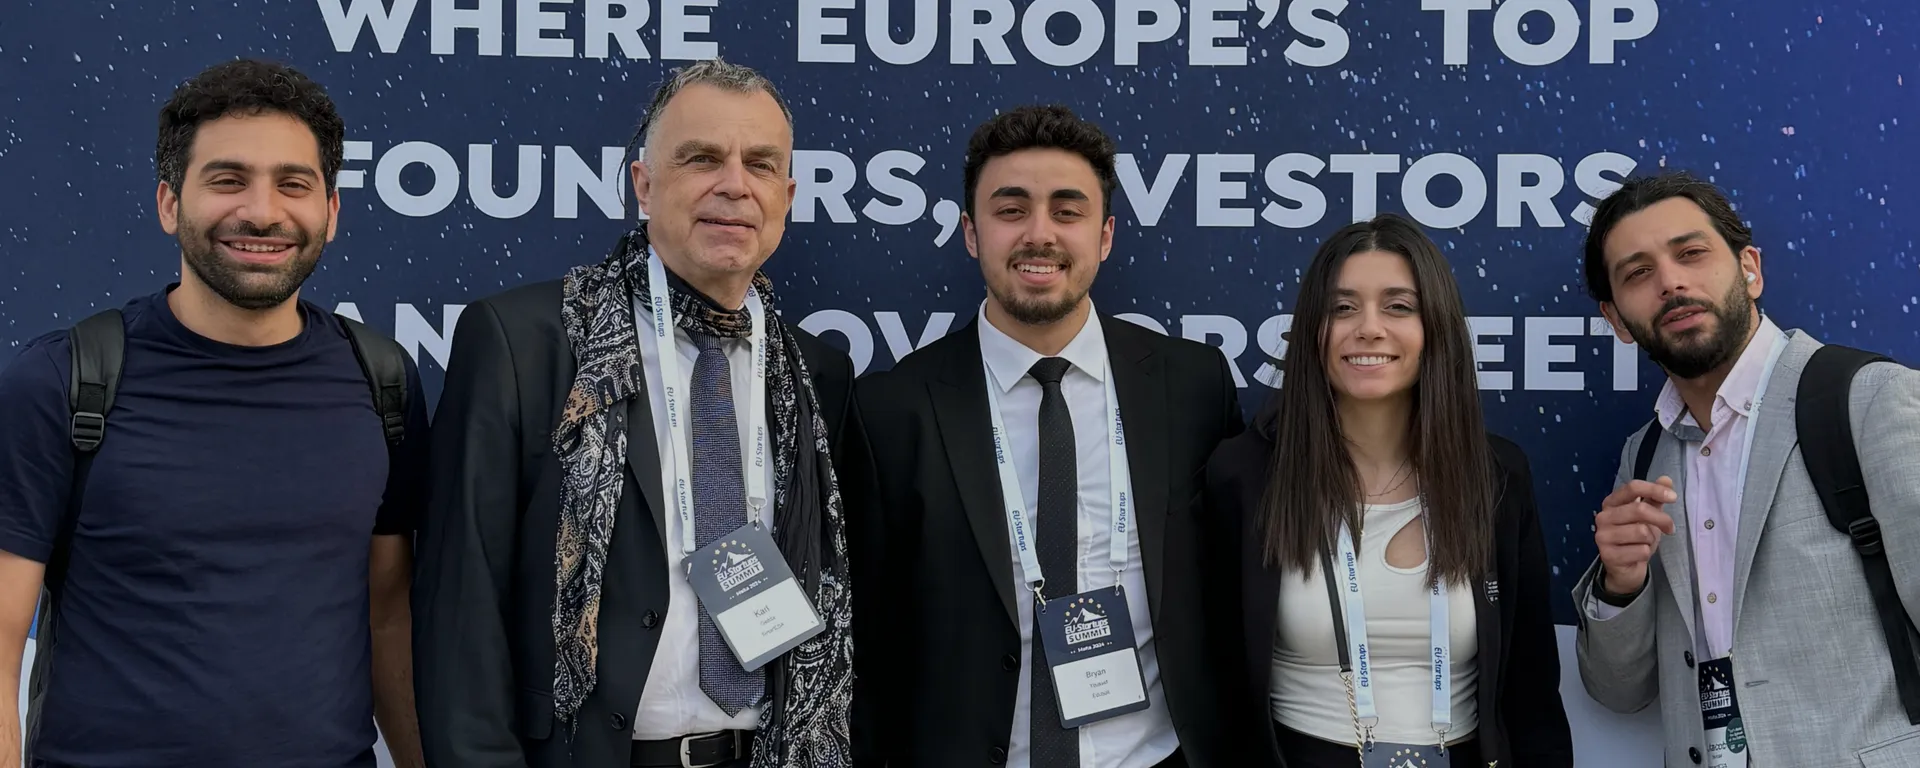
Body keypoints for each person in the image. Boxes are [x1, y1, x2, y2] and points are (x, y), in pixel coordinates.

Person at [412, 58, 868, 768]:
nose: (734, 185)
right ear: (644, 185)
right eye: (702, 158)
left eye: (760, 164)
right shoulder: (522, 344)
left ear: (786, 196)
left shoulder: (816, 376)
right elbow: (460, 610)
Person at [0, 59, 428, 768]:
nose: (262, 212)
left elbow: (389, 617)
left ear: (331, 212)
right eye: (228, 180)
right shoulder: (61, 381)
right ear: (170, 204)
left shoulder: (381, 381)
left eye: (293, 184)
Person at [848, 104, 1244, 768]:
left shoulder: (1192, 387)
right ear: (971, 233)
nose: (1040, 234)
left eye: (1067, 211)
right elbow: (869, 635)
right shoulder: (893, 410)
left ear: (1105, 235)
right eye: (1011, 210)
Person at [1572, 171, 1920, 768]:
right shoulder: (1644, 456)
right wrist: (1620, 584)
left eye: (1691, 253)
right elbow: (1620, 691)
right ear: (1617, 320)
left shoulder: (1870, 401)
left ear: (1750, 269)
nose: (1671, 282)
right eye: (1638, 273)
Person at [1201, 214, 1573, 768]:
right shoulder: (1246, 473)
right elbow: (1216, 678)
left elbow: (1531, 689)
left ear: (1435, 327)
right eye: (1342, 308)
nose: (1369, 328)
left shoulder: (1496, 474)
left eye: (1398, 306)